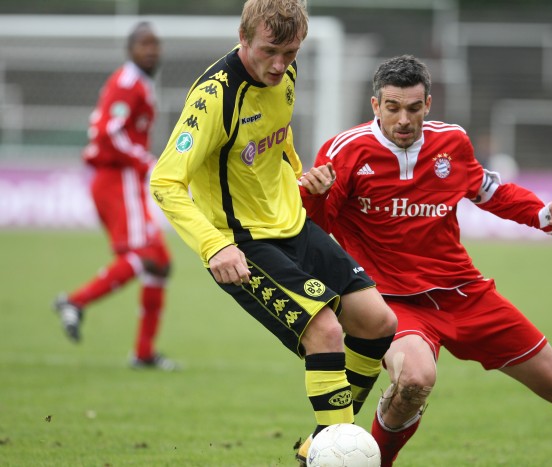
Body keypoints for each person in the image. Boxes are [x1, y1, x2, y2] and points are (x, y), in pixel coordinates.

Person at [299, 55, 552, 467]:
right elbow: (319, 227)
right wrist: (314, 195)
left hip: (465, 293)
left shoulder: (451, 142)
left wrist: (540, 214)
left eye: (414, 108)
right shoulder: (345, 151)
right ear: (375, 105)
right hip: (391, 302)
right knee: (415, 380)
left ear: (428, 104)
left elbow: (489, 191)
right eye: (393, 108)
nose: (403, 119)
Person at [148, 1, 397, 464]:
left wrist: (302, 177)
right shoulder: (215, 99)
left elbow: (277, 136)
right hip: (242, 245)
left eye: (290, 52)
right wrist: (215, 246)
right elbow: (164, 182)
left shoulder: (286, 72)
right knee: (325, 331)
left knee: (378, 322)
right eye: (269, 51)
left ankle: (322, 445)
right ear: (243, 37)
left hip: (292, 224)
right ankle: (334, 454)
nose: (280, 65)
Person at [53, 22, 177, 371]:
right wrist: (146, 162)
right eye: (144, 44)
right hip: (117, 178)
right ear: (130, 49)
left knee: (160, 262)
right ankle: (74, 302)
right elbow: (109, 133)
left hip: (122, 179)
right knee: (143, 256)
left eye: (156, 44)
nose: (151, 50)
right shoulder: (127, 83)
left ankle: (144, 353)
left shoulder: (138, 83)